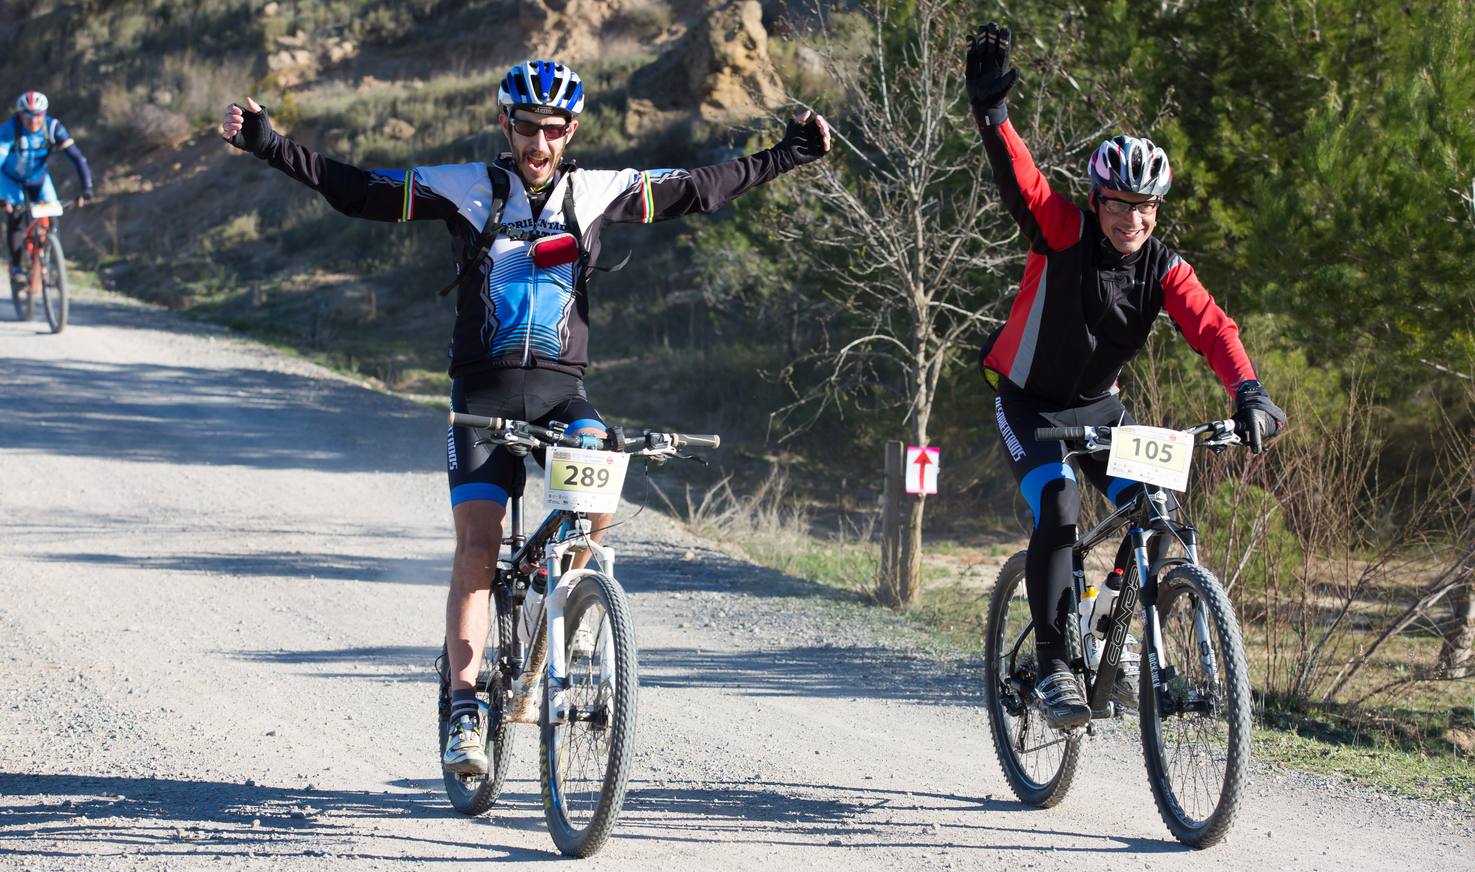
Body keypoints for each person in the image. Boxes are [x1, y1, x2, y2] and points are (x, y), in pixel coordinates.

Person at [221, 59, 831, 773]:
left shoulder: (595, 192)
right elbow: (361, 192)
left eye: (552, 129)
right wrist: (269, 143)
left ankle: (567, 616)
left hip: (559, 391)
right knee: (478, 550)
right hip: (480, 395)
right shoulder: (469, 188)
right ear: (505, 126)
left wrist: (789, 153)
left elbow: (700, 188)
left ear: (571, 131)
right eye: (525, 127)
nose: (537, 142)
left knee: (598, 470)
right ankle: (465, 706)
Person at [965, 24, 1286, 729]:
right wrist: (993, 116)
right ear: (1097, 200)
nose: (1132, 218)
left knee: (1159, 507)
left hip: (1097, 410)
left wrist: (1248, 391)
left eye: (1145, 207)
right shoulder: (1062, 231)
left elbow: (1212, 326)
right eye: (1119, 203)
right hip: (1027, 407)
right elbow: (1021, 185)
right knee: (1056, 507)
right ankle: (1053, 667)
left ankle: (1121, 638)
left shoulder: (1161, 267)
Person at [1, 91, 93, 290]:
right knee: (15, 215)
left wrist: (87, 188)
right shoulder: (10, 130)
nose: (33, 121)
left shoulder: (52, 128)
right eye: (28, 116)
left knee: (51, 213)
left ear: (44, 114)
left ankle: (49, 257)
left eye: (38, 116)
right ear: (20, 114)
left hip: (38, 178)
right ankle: (17, 268)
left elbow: (77, 158)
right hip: (10, 179)